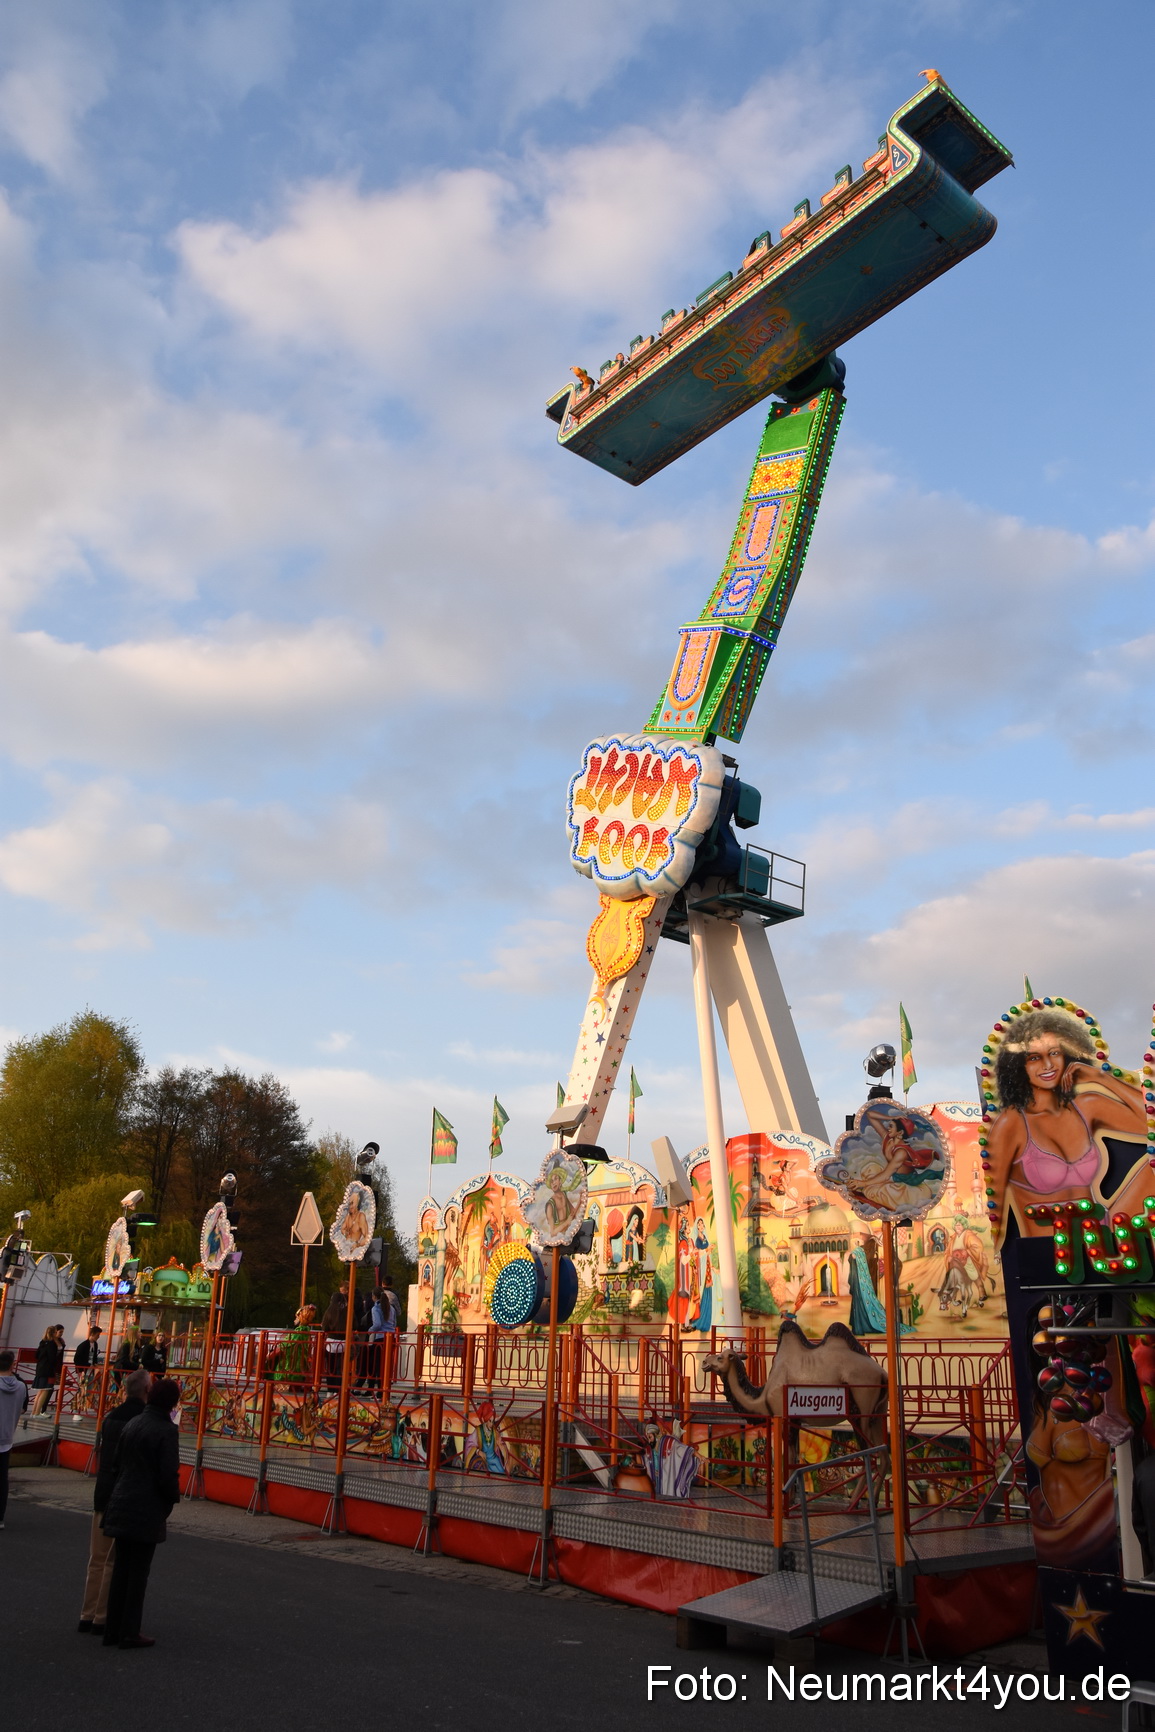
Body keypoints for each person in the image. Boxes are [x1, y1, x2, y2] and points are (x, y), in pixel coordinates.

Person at [985, 1006, 1147, 1237]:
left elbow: (1149, 1121)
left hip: (1099, 1241)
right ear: (1018, 1066)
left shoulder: (1086, 1107)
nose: (1048, 1065)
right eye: (1034, 1058)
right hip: (1047, 1252)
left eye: (1054, 1053)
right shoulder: (1013, 1122)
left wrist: (1098, 1076)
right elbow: (995, 1201)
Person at [100, 1378, 182, 1649]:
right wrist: (171, 1499)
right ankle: (129, 1630)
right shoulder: (166, 1430)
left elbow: (115, 1464)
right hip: (146, 1505)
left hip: (122, 1498)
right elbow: (167, 1473)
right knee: (138, 1572)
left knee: (122, 1568)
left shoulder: (133, 1423)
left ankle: (112, 1627)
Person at [78, 1369, 150, 1632]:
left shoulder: (110, 1417)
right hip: (122, 1496)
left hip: (102, 1490)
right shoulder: (141, 1420)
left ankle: (87, 1613)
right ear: (145, 1391)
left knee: (96, 1558)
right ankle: (103, 1615)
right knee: (112, 1560)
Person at [0, 1347, 30, 1526]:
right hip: (7, 1436)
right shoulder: (20, 1387)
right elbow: (23, 1408)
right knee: (2, 1479)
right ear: (13, 1365)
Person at [30, 1323, 66, 1416]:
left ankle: (34, 1412)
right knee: (45, 1390)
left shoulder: (43, 1342)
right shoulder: (51, 1344)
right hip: (48, 1370)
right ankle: (37, 1412)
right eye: (59, 1332)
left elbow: (36, 1355)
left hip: (40, 1368)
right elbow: (52, 1358)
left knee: (40, 1391)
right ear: (54, 1333)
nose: (61, 1334)